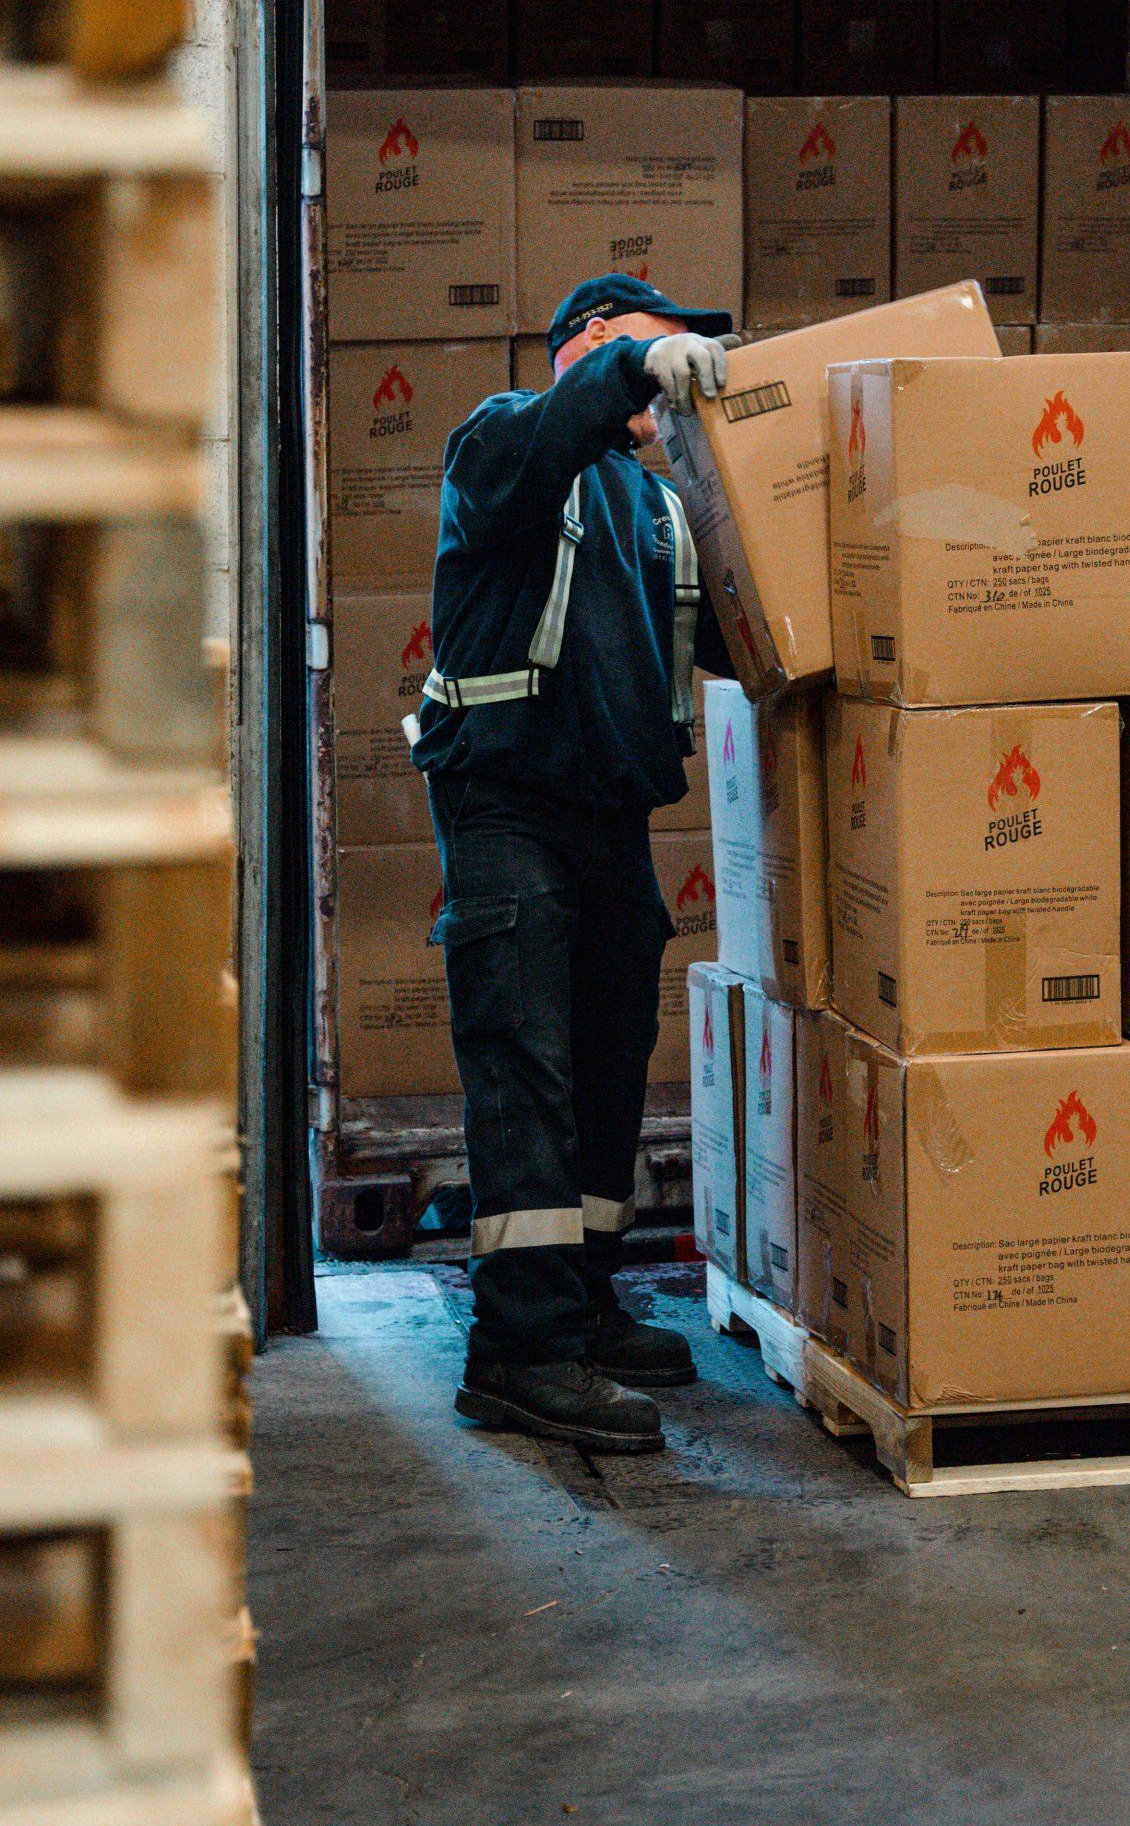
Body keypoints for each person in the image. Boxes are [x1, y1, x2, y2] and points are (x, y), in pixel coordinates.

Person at [409, 274, 738, 1454]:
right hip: (508, 803)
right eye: (662, 345)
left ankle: (585, 1302)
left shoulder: (654, 510)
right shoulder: (502, 439)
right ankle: (519, 1352)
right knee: (529, 1066)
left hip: (608, 817)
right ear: (594, 340)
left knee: (607, 1066)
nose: (680, 369)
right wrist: (629, 374)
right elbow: (559, 426)